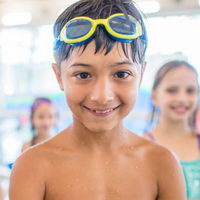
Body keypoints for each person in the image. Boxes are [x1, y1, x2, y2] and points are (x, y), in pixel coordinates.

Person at [9, 1, 186, 199]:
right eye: (83, 75)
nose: (102, 96)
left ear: (141, 75)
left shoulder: (162, 164)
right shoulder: (32, 167)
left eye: (121, 73)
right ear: (59, 76)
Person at [143, 60, 200, 199]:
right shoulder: (142, 148)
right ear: (154, 96)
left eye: (190, 91)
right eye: (172, 90)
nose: (182, 98)